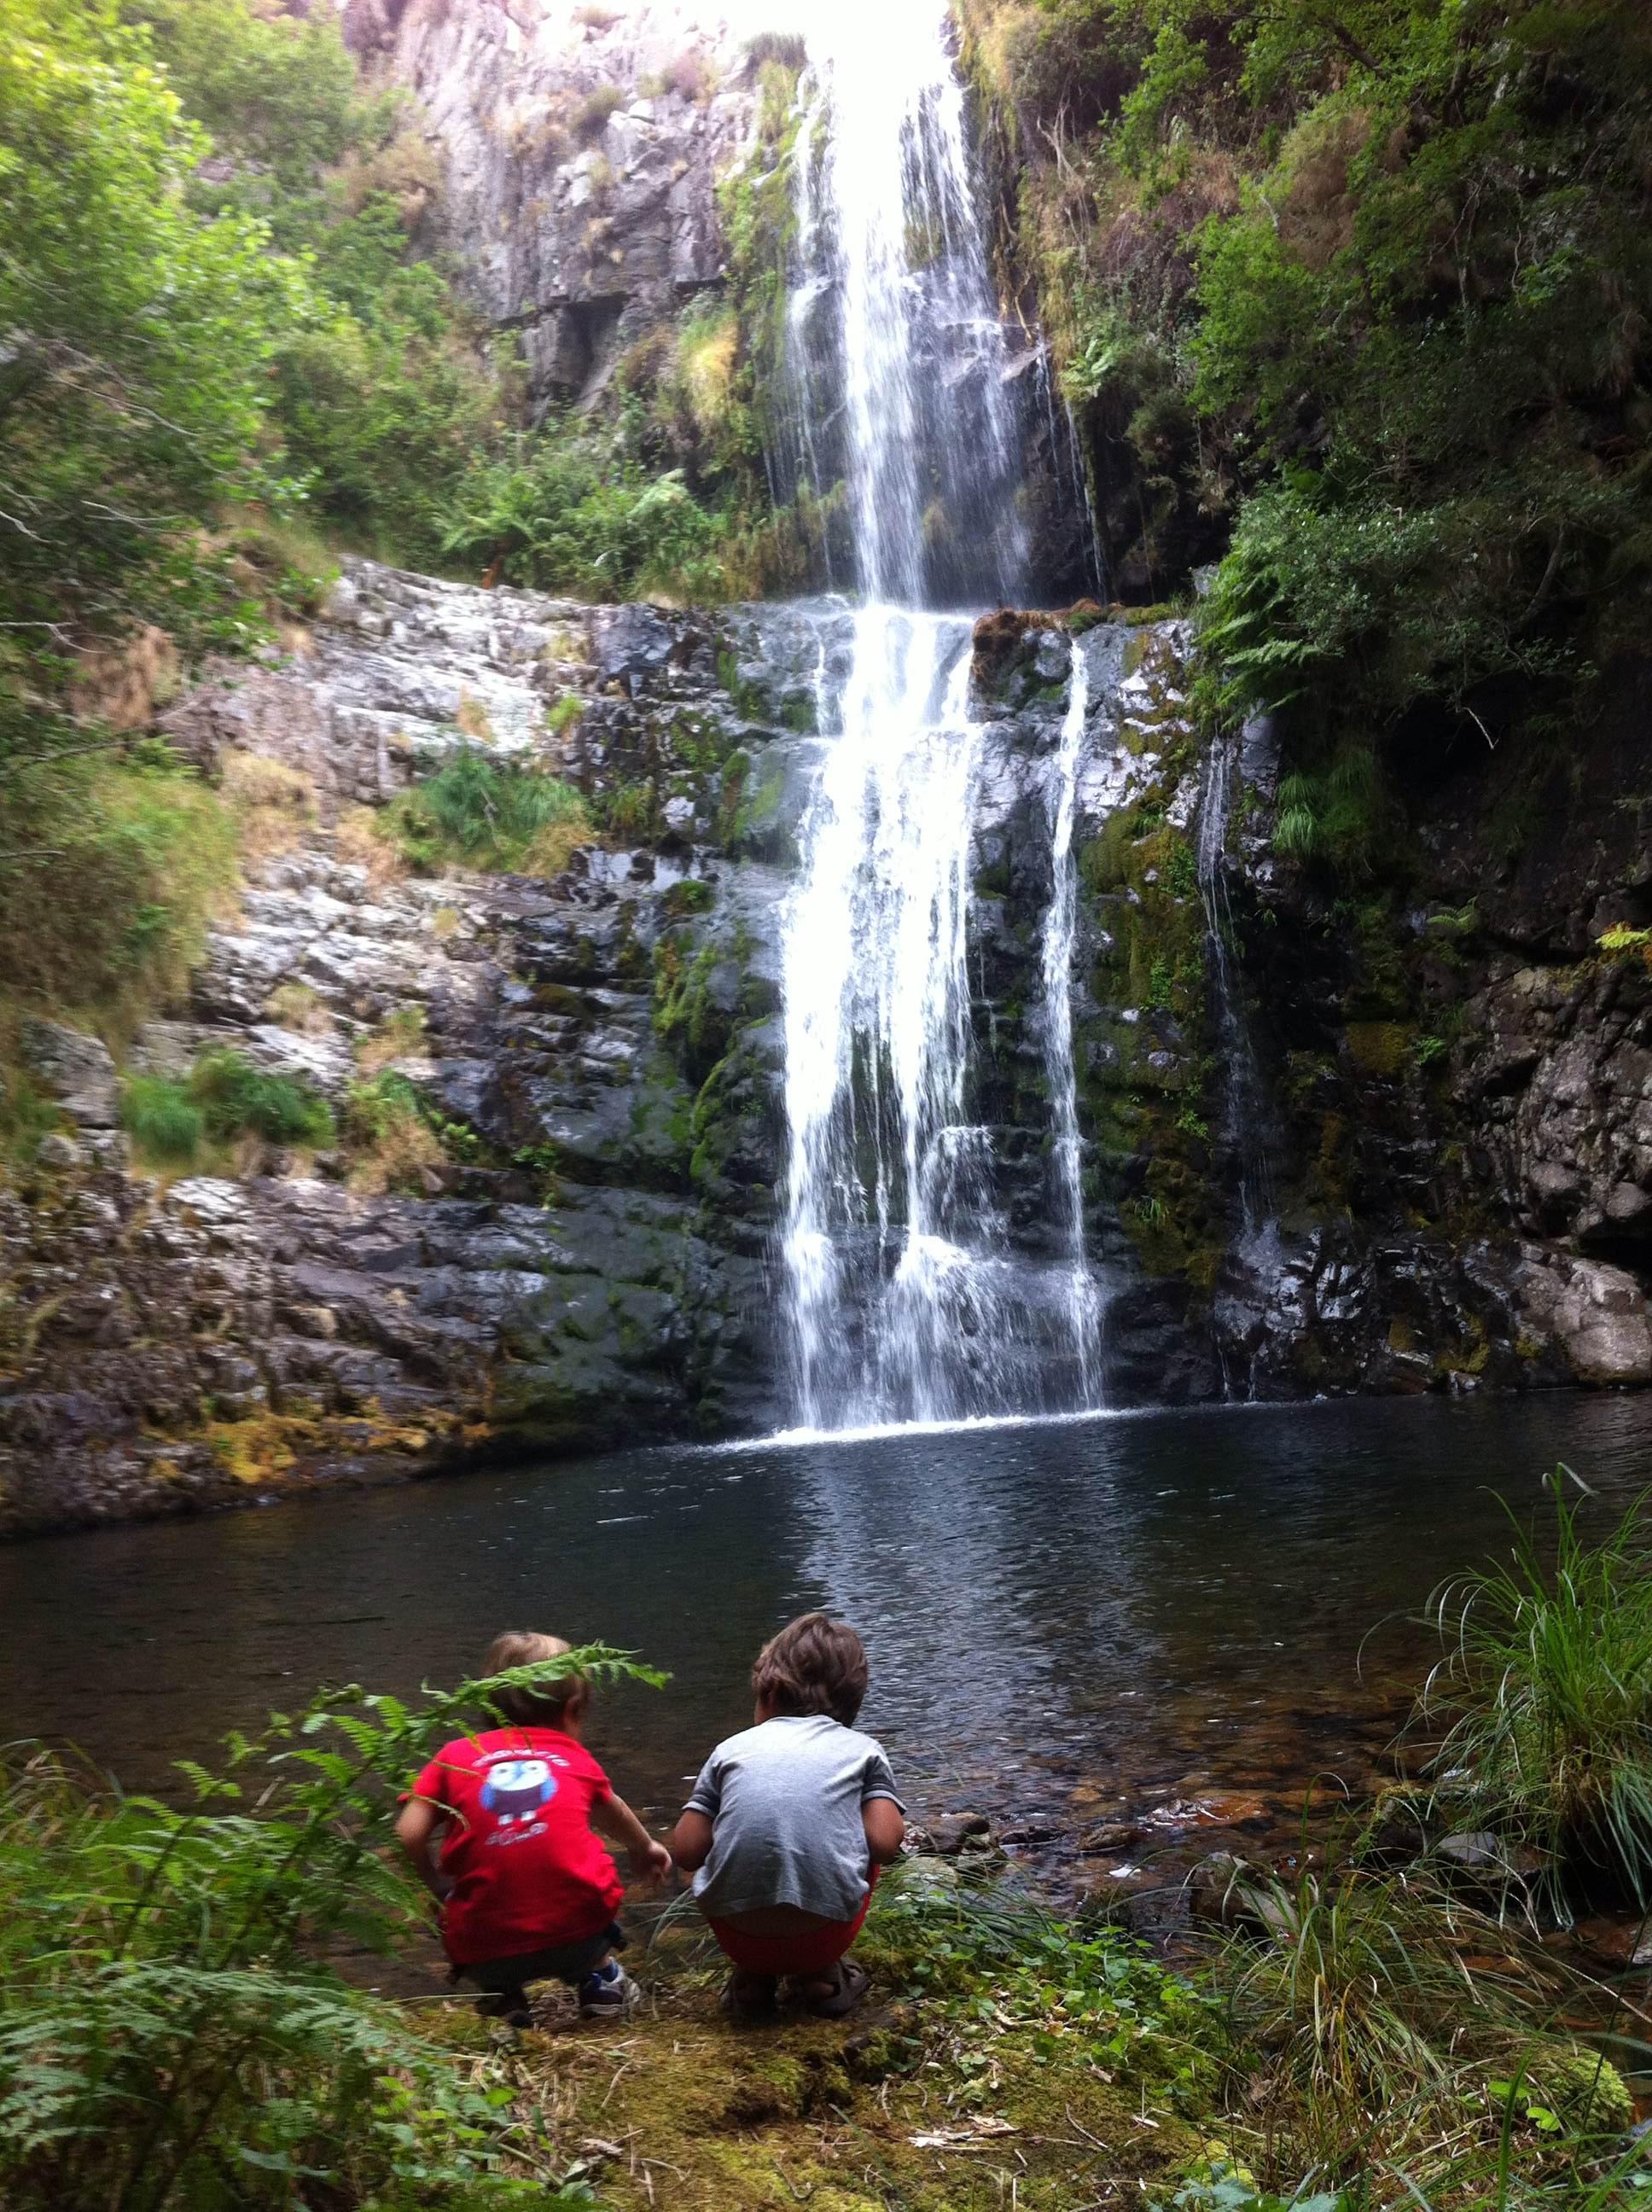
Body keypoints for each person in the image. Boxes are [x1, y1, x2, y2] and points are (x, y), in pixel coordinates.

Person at [397, 1630, 672, 2028]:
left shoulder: (455, 1755)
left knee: (468, 1917)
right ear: (573, 1709)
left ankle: (503, 2001)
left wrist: (437, 1885)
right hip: (578, 1935)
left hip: (487, 1946)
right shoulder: (572, 1756)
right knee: (586, 1883)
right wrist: (645, 1848)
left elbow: (408, 1832)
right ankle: (600, 1981)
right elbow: (612, 1813)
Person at [669, 1611, 905, 2019]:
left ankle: (752, 1981)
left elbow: (687, 1851)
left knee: (724, 1838)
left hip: (738, 1937)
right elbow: (885, 1843)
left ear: (771, 1693)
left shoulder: (730, 1750)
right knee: (859, 1844)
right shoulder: (862, 1749)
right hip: (822, 1936)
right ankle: (821, 1978)